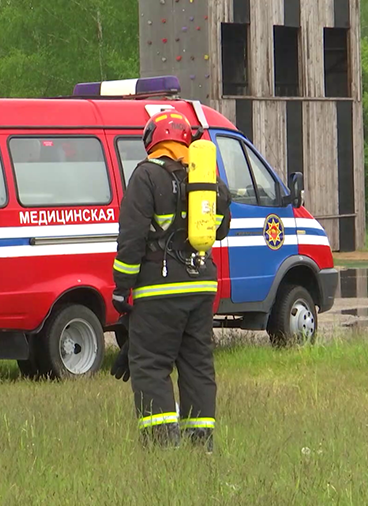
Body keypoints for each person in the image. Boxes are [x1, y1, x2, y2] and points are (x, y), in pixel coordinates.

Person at [109, 110, 232, 453]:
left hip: (159, 290)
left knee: (150, 364)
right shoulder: (206, 182)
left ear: (153, 140)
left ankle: (163, 447)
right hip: (202, 288)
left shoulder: (146, 176)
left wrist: (122, 289)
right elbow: (220, 229)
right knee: (197, 365)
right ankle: (200, 443)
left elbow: (131, 238)